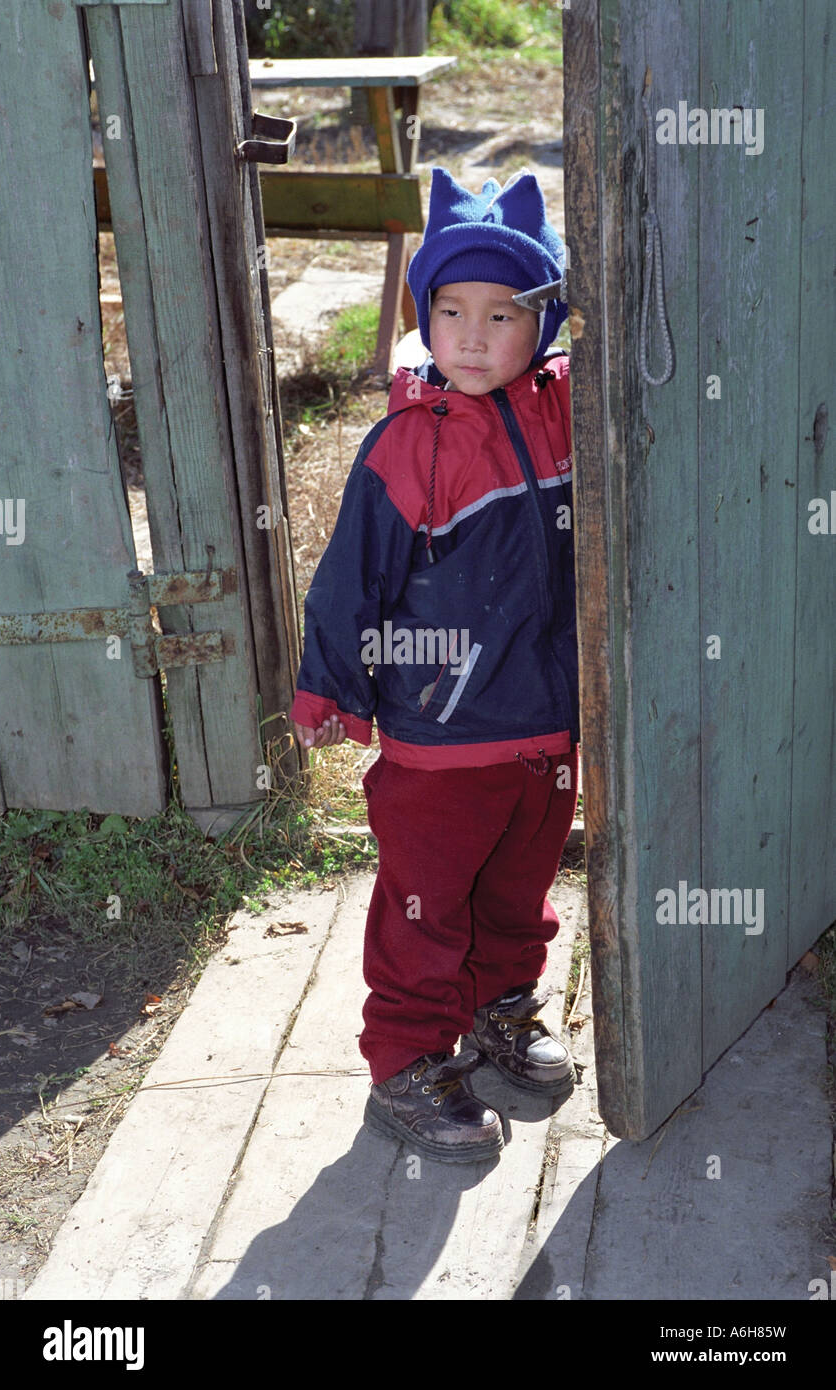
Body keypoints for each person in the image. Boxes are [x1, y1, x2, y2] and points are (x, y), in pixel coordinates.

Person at [290, 166, 579, 1163]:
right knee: (425, 907)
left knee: (516, 893)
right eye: (448, 310)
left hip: (543, 728)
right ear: (426, 317)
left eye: (500, 315)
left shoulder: (568, 416)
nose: (468, 335)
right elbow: (348, 580)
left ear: (542, 324)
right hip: (439, 743)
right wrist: (329, 684)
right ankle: (408, 1068)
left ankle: (499, 1019)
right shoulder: (408, 445)